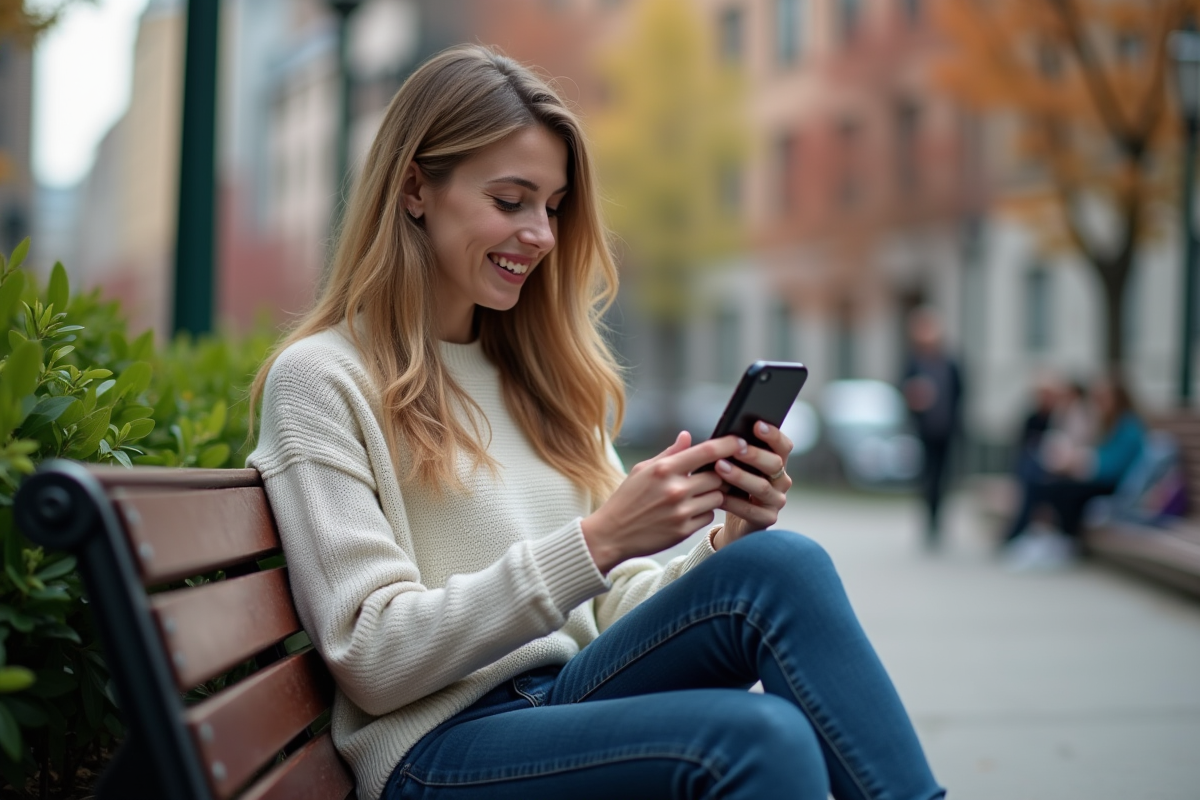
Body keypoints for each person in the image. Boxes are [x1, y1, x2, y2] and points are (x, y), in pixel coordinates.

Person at [248, 45, 944, 800]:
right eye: (511, 201)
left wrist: (724, 539)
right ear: (416, 188)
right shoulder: (324, 379)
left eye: (551, 207)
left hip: (567, 698)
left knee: (780, 565)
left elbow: (611, 606)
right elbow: (372, 655)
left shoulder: (541, 380)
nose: (542, 235)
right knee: (758, 739)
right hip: (438, 749)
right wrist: (600, 539)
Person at [1003, 372, 1145, 565]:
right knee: (1051, 484)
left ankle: (1064, 541)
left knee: (1062, 490)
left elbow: (1112, 467)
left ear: (1118, 398)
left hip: (1112, 484)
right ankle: (1056, 539)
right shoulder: (1112, 423)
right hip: (1100, 479)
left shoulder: (1128, 426)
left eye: (1104, 398)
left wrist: (1078, 463)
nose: (1099, 403)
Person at [900, 307, 964, 547]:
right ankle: (929, 522)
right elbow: (904, 389)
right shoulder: (914, 362)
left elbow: (961, 393)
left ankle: (940, 521)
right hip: (924, 429)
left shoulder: (950, 362)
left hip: (946, 427)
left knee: (944, 476)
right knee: (928, 477)